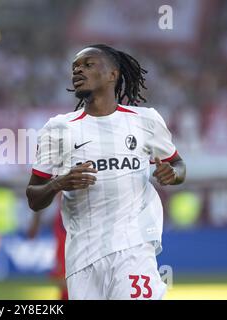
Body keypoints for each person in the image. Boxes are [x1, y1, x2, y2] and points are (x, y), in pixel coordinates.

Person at [26, 44, 186, 300]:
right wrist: (59, 184)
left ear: (113, 74)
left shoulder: (146, 120)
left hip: (133, 248)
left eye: (88, 65)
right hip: (82, 258)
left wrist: (172, 174)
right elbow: (34, 198)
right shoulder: (57, 129)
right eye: (75, 67)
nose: (78, 70)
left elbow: (178, 165)